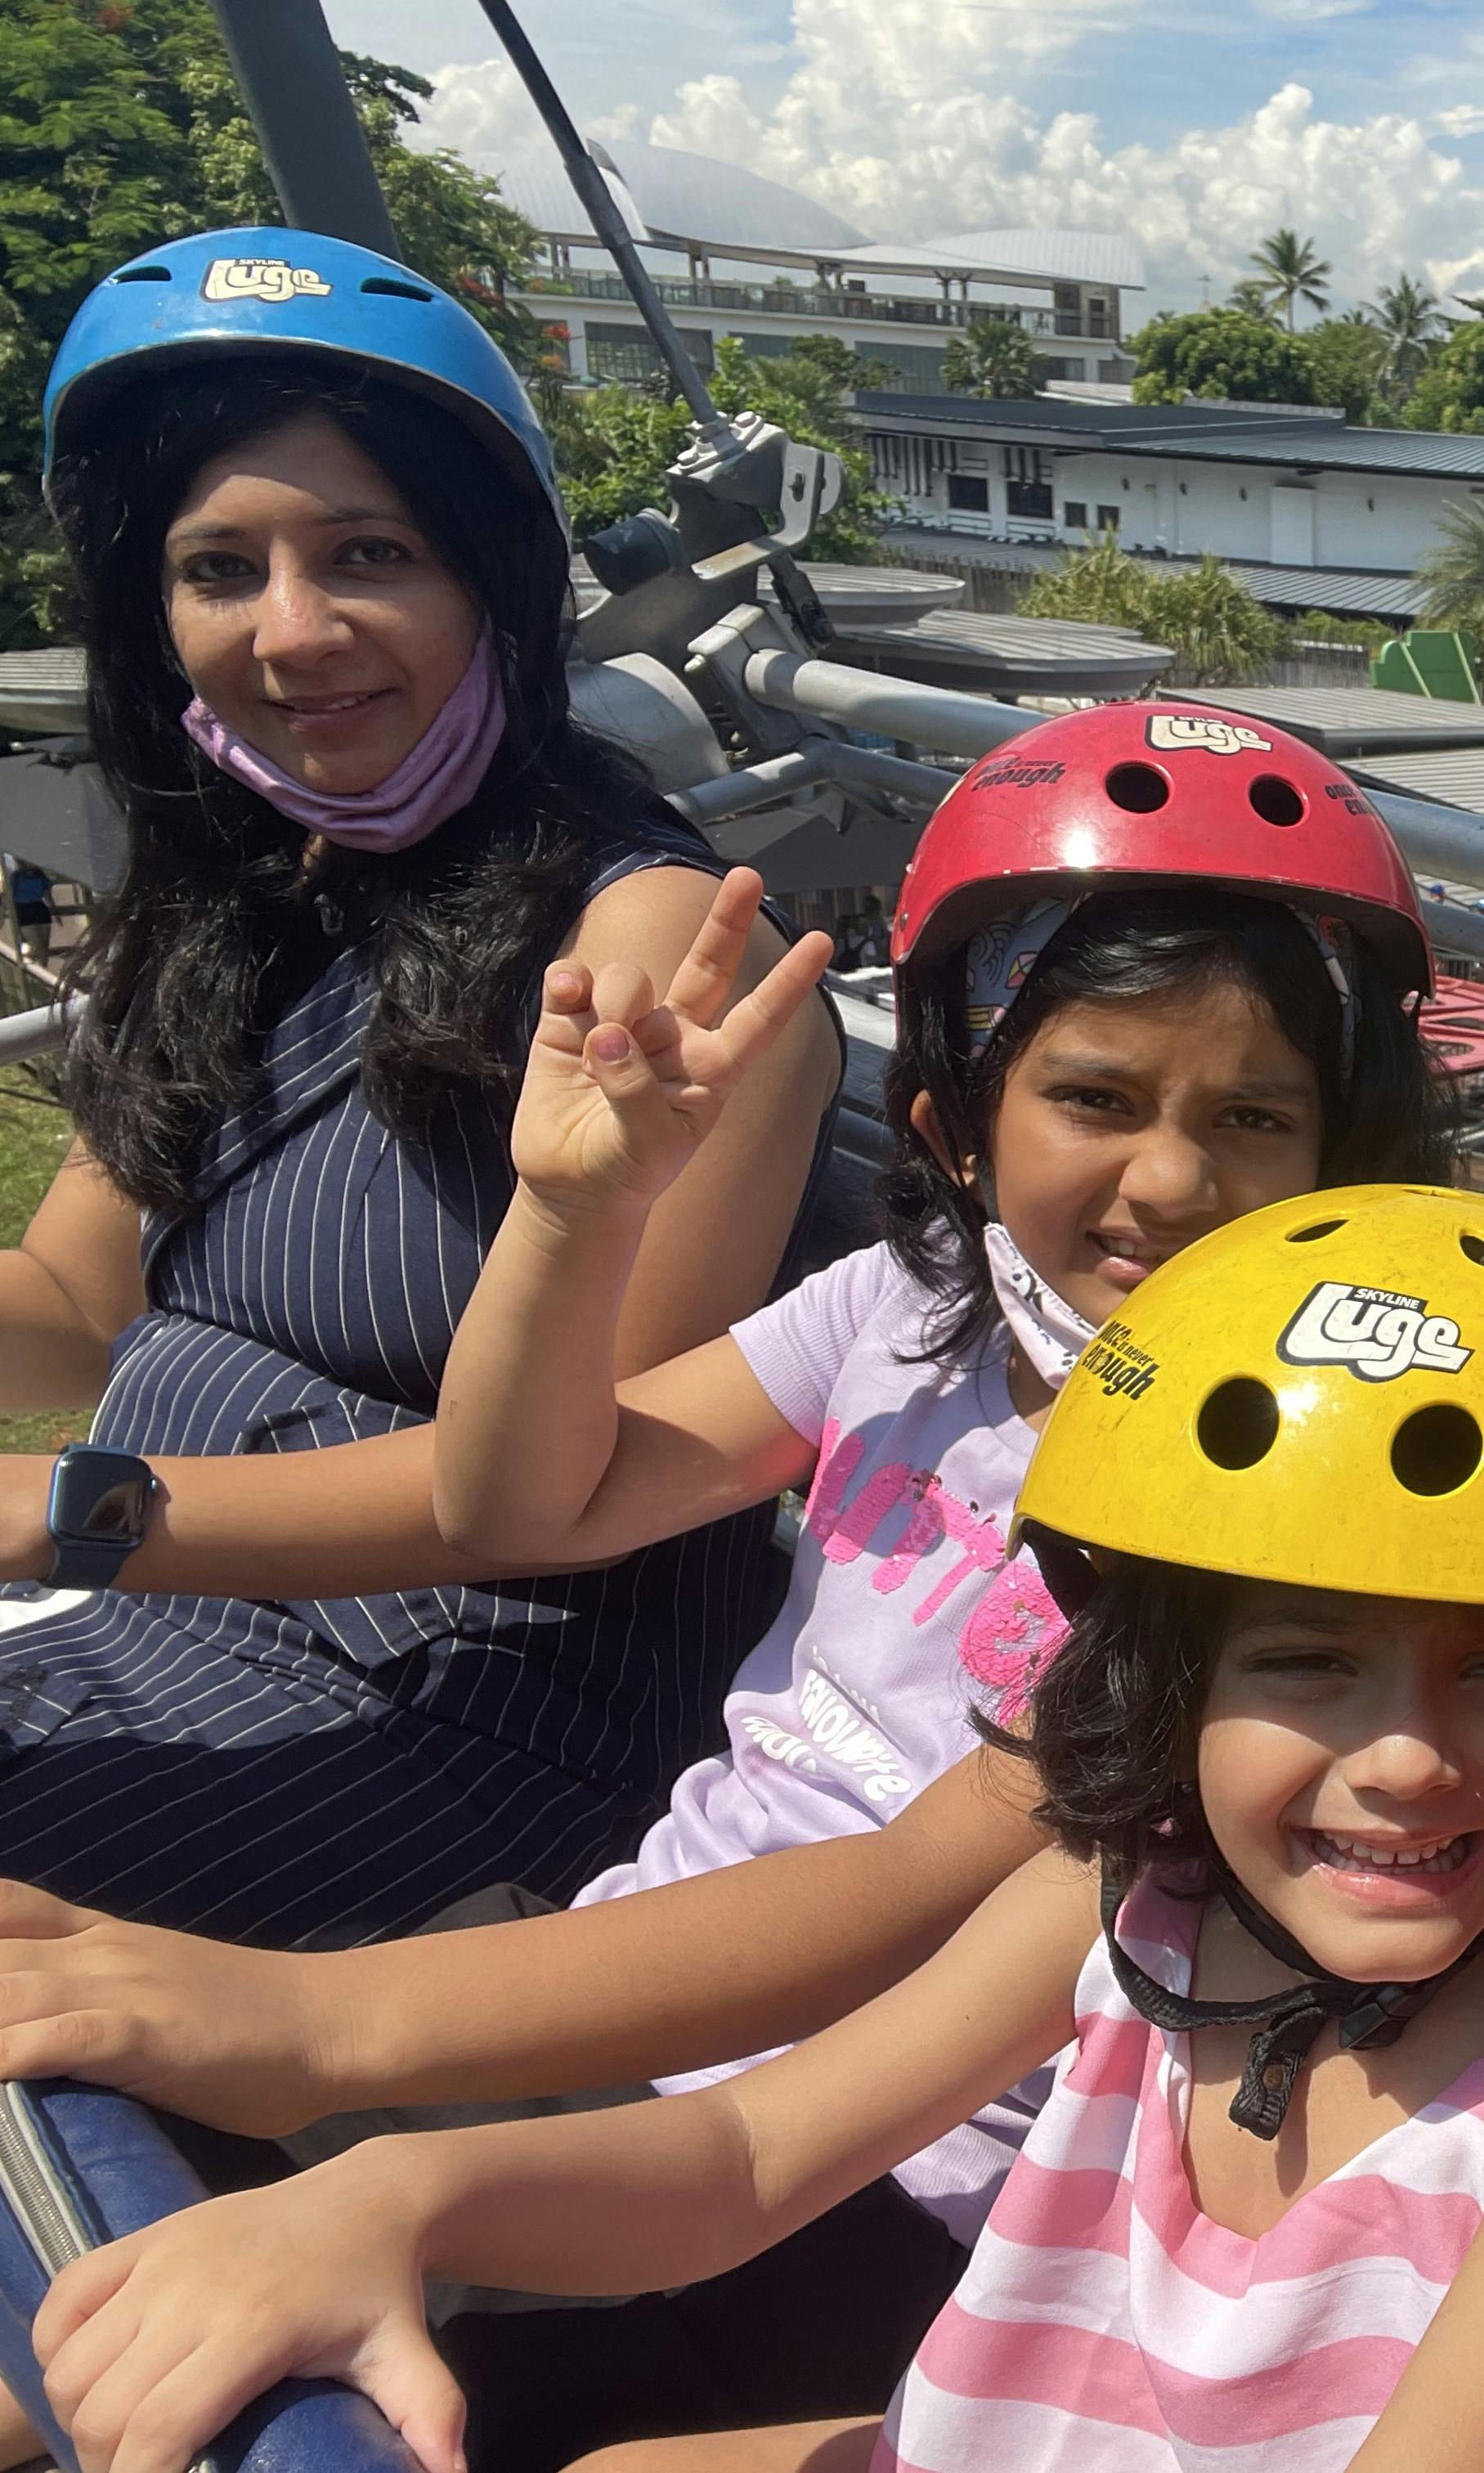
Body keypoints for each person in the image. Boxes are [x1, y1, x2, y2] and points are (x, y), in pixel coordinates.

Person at [0, 698, 1454, 2472]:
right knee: (84, 2246)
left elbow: (902, 1898)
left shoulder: (1253, 1500)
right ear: (961, 1124)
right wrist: (575, 1214)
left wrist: (298, 2022)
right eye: (1095, 1097)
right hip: (630, 1990)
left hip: (877, 2176)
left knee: (191, 2372)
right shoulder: (911, 1317)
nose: (1171, 1177)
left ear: (1341, 1157)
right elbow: (530, 1495)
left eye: (1254, 1116)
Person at [29, 1188, 1484, 2473]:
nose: (1401, 1758)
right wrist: (392, 2202)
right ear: (1167, 1690)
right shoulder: (1134, 1903)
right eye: (1307, 1663)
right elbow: (745, 2160)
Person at [0, 225, 844, 1948]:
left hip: (484, 1705)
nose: (292, 632)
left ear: (491, 583)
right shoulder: (246, 898)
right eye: (219, 569)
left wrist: (71, 1512)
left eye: (366, 554)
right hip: (160, 1627)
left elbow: (569, 1486)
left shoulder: (640, 941)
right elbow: (78, 1307)